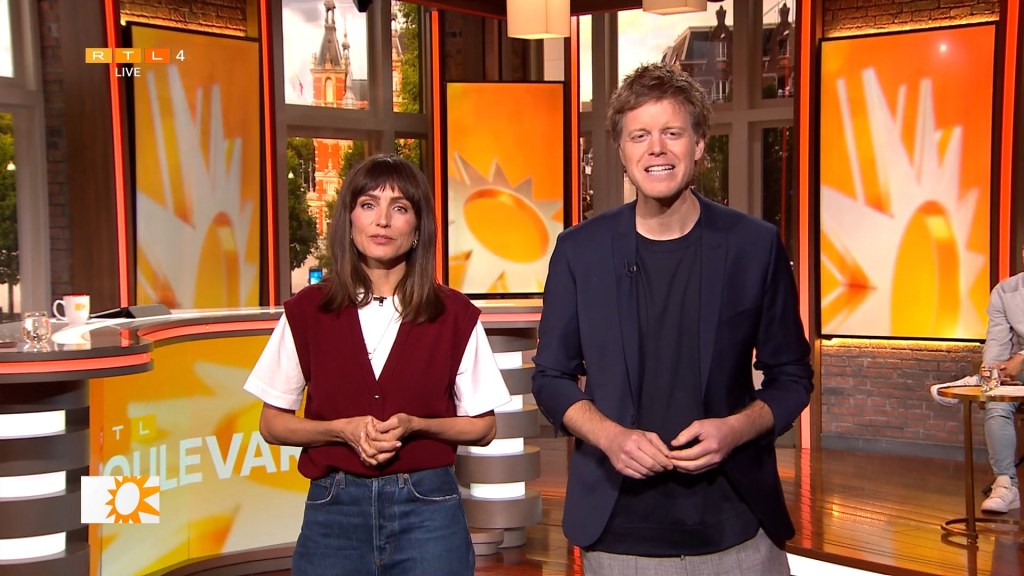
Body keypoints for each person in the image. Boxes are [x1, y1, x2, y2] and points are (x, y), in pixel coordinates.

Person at [531, 62, 813, 576]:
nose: (655, 148)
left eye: (672, 133)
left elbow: (792, 377)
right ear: (622, 152)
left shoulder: (753, 245)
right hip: (619, 537)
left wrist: (734, 429)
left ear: (699, 144)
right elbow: (551, 377)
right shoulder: (579, 250)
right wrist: (611, 437)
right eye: (639, 135)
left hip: (737, 527)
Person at [244, 154, 510, 575]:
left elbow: (483, 427)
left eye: (399, 208)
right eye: (368, 205)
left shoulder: (454, 315)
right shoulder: (307, 311)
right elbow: (272, 424)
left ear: (418, 229)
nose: (382, 220)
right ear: (349, 221)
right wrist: (340, 430)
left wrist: (416, 425)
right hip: (334, 510)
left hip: (429, 511)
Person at [930, 247, 1024, 514]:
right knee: (996, 399)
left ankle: (978, 382)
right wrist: (992, 370)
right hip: (1018, 369)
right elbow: (997, 340)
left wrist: (1021, 357)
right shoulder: (1005, 291)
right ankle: (1005, 485)